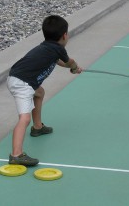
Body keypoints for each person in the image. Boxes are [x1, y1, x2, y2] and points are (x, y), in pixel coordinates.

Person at [6, 15, 82, 166]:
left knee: (39, 92)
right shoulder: (58, 49)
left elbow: (58, 61)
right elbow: (69, 62)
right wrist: (74, 68)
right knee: (24, 118)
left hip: (21, 78)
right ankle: (16, 155)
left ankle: (38, 127)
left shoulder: (48, 48)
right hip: (22, 83)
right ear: (64, 35)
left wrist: (72, 68)